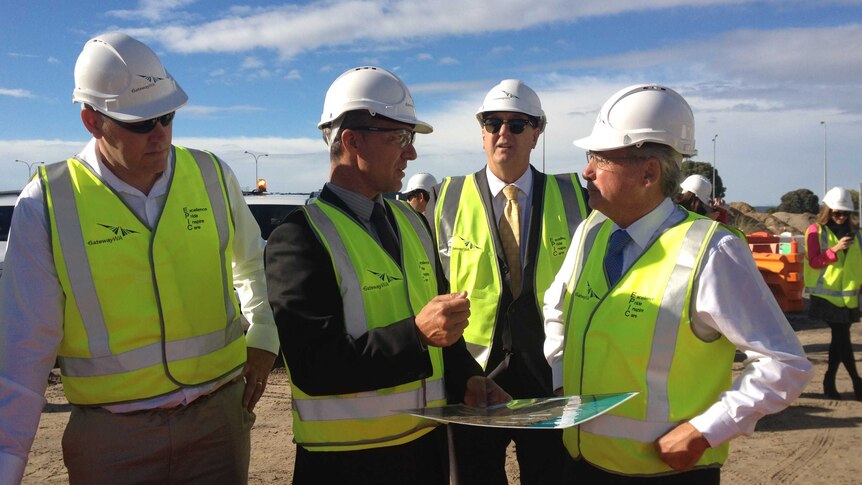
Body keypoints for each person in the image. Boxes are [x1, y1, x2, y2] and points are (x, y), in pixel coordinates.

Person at [0, 33, 278, 484]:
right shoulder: (47, 205)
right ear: (91, 120)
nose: (160, 134)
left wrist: (264, 334)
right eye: (140, 122)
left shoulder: (211, 176)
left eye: (167, 116)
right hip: (112, 442)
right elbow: (20, 355)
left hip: (217, 424)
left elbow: (253, 264)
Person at [543, 84, 812, 483]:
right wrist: (561, 378)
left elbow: (784, 363)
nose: (587, 171)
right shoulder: (591, 232)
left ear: (649, 172)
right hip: (581, 464)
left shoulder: (711, 251)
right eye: (590, 157)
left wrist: (706, 431)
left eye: (601, 158)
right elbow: (557, 309)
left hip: (665, 473)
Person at [264, 66, 509, 485]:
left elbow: (441, 332)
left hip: (425, 453)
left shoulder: (412, 223)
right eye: (399, 138)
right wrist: (414, 334)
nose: (411, 154)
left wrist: (468, 376)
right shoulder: (299, 237)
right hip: (346, 465)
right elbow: (313, 367)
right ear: (351, 140)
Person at [427, 79, 588, 484]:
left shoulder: (575, 197)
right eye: (493, 122)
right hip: (474, 374)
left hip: (550, 372)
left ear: (537, 132)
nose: (504, 133)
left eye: (518, 125)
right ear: (481, 131)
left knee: (554, 475)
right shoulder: (444, 198)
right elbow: (431, 286)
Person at [804, 186, 862, 400]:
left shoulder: (857, 234)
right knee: (842, 338)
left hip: (848, 297)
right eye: (837, 213)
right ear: (828, 211)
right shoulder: (815, 231)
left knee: (840, 341)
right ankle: (857, 382)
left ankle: (830, 382)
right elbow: (814, 261)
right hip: (826, 296)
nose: (841, 217)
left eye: (845, 213)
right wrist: (835, 249)